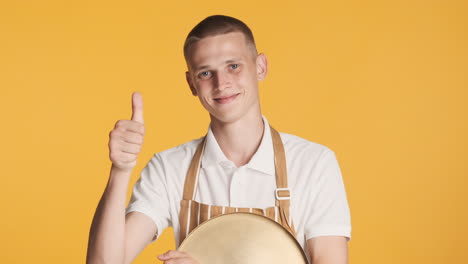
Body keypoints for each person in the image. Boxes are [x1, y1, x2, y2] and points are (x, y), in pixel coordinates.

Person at [86, 15, 351, 264]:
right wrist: (120, 171)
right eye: (205, 73)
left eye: (233, 66)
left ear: (260, 67)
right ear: (191, 83)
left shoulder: (314, 163)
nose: (221, 83)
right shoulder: (169, 167)